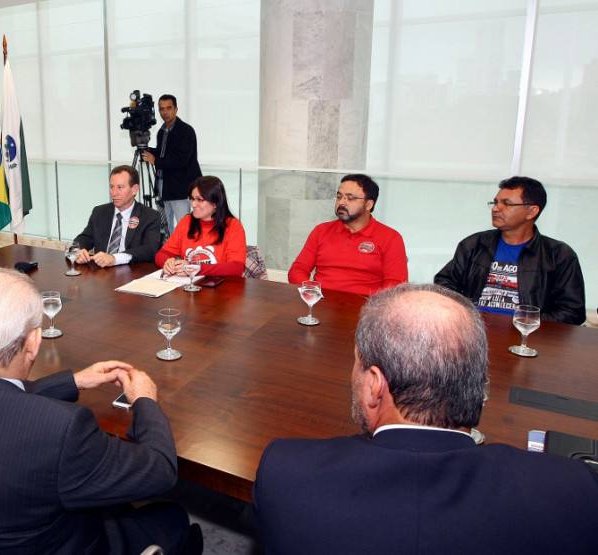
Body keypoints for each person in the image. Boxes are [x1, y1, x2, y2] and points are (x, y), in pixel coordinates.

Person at [252, 283, 598, 554]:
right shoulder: (572, 488)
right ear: (476, 383)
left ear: (375, 385)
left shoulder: (286, 472)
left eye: (356, 364)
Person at [0, 268, 201, 554]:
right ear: (34, 341)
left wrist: (74, 381)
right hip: (67, 543)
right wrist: (144, 401)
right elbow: (160, 470)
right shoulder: (61, 429)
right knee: (173, 518)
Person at [434, 176, 585, 325]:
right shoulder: (474, 245)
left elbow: (572, 312)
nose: (495, 208)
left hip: (529, 336)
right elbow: (444, 283)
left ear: (531, 211)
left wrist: (526, 322)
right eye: (495, 202)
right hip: (476, 330)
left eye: (507, 204)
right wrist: (465, 313)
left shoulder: (558, 255)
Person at [288, 173, 407, 295]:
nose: (342, 203)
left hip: (365, 309)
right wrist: (312, 292)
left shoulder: (391, 238)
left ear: (369, 204)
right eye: (339, 197)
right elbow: (298, 270)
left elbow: (395, 287)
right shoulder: (321, 231)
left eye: (350, 198)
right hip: (321, 304)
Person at [155, 176, 246, 277]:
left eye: (199, 200)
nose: (193, 204)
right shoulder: (186, 222)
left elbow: (237, 268)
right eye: (192, 199)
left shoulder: (233, 226)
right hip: (189, 287)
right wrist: (168, 262)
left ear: (215, 203)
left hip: (221, 288)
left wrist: (195, 268)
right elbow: (161, 254)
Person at [74, 165, 161, 267]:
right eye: (112, 187)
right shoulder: (100, 212)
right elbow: (84, 238)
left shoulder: (149, 216)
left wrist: (115, 258)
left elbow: (149, 250)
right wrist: (79, 251)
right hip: (102, 274)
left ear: (134, 189)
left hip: (131, 273)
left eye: (120, 187)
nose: (114, 193)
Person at [142, 94, 202, 234]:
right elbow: (164, 153)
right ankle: (168, 253)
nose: (165, 112)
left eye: (168, 108)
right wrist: (148, 151)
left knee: (183, 225)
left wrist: (155, 160)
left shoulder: (186, 131)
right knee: (164, 226)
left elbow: (182, 159)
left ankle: (184, 255)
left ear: (176, 109)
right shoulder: (162, 132)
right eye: (161, 109)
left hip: (180, 187)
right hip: (163, 185)